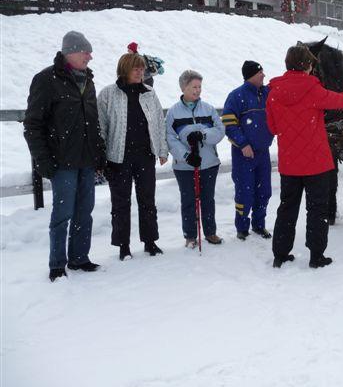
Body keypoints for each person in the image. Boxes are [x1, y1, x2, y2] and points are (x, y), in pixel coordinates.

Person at [266, 45, 343, 269]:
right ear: (307, 66)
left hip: (289, 164)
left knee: (287, 208)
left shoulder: (273, 92)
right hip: (316, 163)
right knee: (316, 209)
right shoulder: (313, 90)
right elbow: (342, 100)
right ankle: (316, 255)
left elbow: (271, 127)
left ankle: (280, 254)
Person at [23, 31, 106, 282]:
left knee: (85, 212)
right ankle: (57, 264)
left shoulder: (88, 81)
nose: (90, 56)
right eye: (85, 52)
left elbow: (93, 122)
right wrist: (43, 160)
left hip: (86, 160)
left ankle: (79, 258)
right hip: (62, 162)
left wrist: (99, 153)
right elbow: (33, 125)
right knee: (62, 215)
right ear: (70, 52)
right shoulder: (46, 80)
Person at [98, 53, 168, 261]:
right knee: (121, 202)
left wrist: (162, 150)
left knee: (147, 200)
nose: (140, 72)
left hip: (145, 155)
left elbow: (158, 123)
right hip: (118, 157)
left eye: (142, 69)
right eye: (135, 69)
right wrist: (100, 156)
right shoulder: (108, 94)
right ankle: (123, 245)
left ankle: (150, 241)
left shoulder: (149, 93)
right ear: (124, 70)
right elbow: (101, 126)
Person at [166, 70, 225, 248]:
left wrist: (204, 135)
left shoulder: (208, 109)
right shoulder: (174, 112)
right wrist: (186, 156)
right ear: (184, 87)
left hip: (208, 163)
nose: (198, 90)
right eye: (194, 87)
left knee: (208, 198)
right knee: (189, 200)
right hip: (185, 166)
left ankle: (210, 232)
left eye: (199, 87)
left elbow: (220, 130)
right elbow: (169, 137)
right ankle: (190, 235)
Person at [222, 61, 274, 241]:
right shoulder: (236, 96)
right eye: (261, 72)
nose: (264, 76)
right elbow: (229, 123)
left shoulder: (268, 93)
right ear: (252, 75)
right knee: (245, 192)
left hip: (263, 153)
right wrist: (243, 144)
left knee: (264, 191)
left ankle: (259, 225)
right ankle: (242, 227)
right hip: (243, 155)